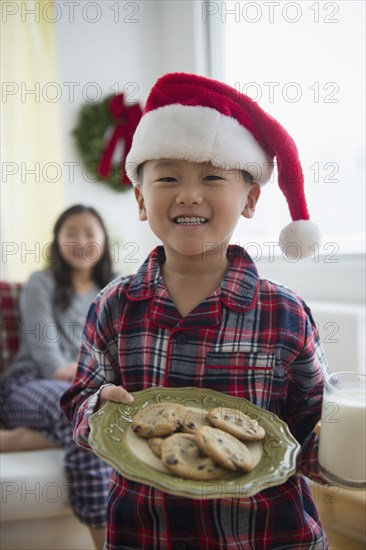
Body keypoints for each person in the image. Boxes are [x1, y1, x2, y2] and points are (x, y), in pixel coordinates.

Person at [61, 74, 329, 549]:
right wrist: (97, 409)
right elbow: (78, 401)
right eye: (167, 177)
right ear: (142, 199)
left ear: (249, 198)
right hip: (144, 532)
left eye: (211, 176)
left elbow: (311, 432)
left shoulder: (285, 315)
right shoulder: (112, 308)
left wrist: (344, 449)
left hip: (269, 535)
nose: (188, 194)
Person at [0, 204, 115, 550]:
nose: (81, 241)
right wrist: (97, 386)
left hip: (87, 392)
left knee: (96, 416)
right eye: (71, 233)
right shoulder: (42, 282)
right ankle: (105, 542)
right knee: (90, 416)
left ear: (103, 240)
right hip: (29, 383)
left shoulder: (115, 290)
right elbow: (47, 356)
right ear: (58, 241)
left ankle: (15, 439)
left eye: (89, 233)